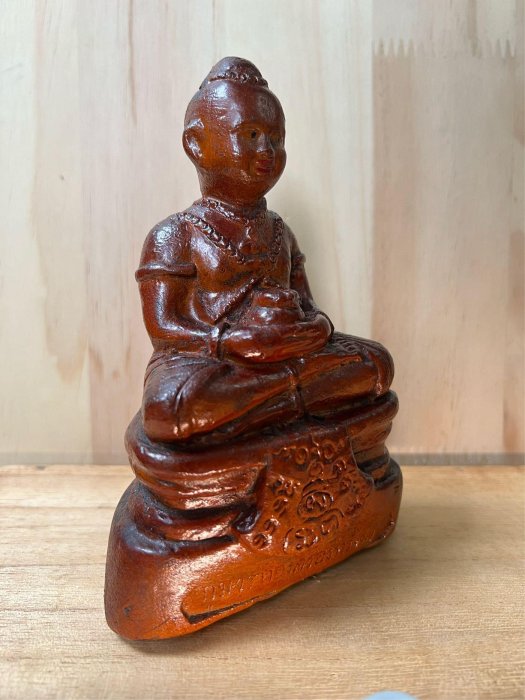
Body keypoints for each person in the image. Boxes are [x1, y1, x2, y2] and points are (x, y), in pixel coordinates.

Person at [136, 57, 393, 444]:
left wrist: (314, 329)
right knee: (171, 410)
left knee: (376, 363)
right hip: (207, 362)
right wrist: (228, 342)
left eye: (277, 137)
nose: (267, 149)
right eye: (251, 134)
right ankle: (290, 401)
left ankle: (262, 410)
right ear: (196, 144)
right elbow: (164, 328)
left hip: (284, 357)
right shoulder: (175, 235)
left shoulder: (280, 233)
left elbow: (310, 307)